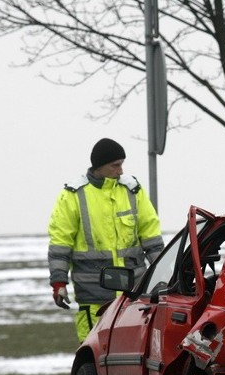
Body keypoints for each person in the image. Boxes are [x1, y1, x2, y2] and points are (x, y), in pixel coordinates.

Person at [48, 138, 164, 342]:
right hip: (94, 294)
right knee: (94, 353)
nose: (120, 171)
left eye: (121, 164)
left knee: (133, 353)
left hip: (133, 293)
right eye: (115, 165)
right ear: (100, 166)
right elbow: (60, 244)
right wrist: (59, 282)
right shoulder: (73, 195)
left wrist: (165, 274)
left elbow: (151, 237)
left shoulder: (132, 191)